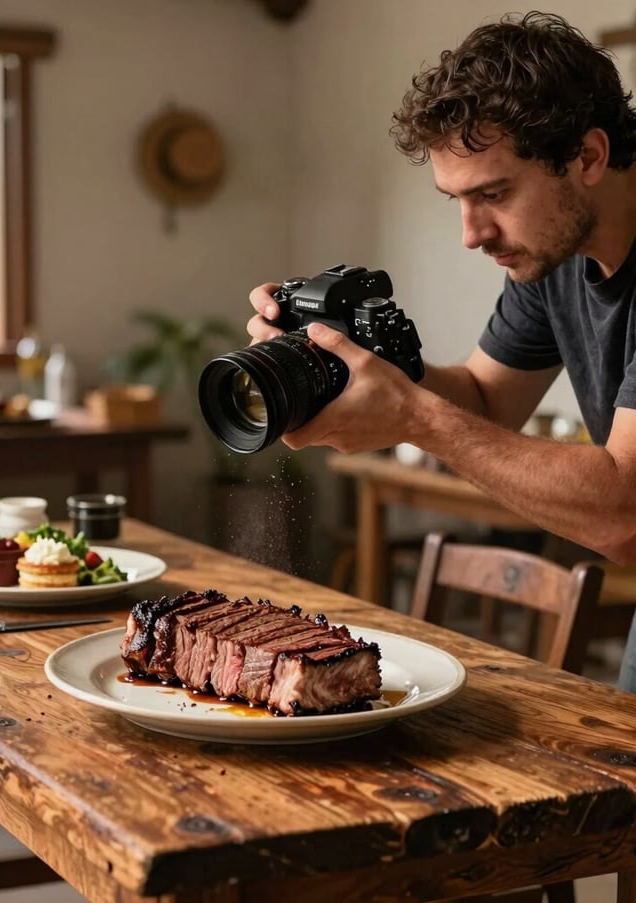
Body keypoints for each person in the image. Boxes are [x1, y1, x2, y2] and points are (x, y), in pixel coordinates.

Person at [246, 11, 636, 692]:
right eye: (456, 199)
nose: (472, 233)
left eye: (494, 193)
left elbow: (624, 513)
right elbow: (487, 399)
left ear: (589, 156)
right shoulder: (554, 256)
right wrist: (352, 364)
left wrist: (413, 416)